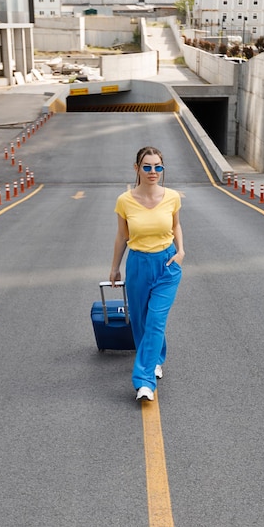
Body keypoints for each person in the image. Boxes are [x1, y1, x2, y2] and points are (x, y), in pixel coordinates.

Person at [109, 146, 185, 401]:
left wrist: (181, 251)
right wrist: (114, 267)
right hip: (138, 263)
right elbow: (122, 236)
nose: (153, 172)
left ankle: (144, 382)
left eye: (158, 167)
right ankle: (155, 358)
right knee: (141, 321)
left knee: (155, 320)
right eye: (148, 167)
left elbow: (175, 225)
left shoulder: (173, 197)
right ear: (137, 169)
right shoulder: (125, 200)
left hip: (166, 265)